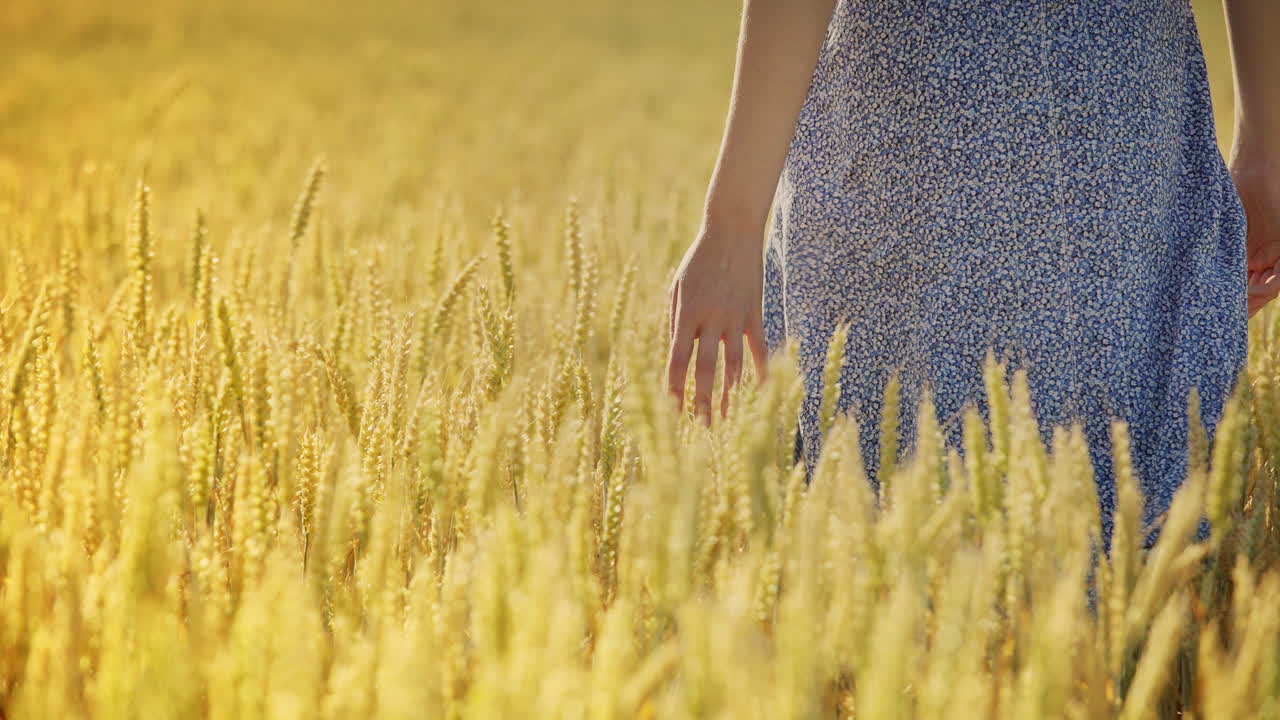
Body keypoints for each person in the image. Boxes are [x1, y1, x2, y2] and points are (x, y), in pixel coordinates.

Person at [665, 0, 1278, 547]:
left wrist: (734, 222)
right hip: (1089, 141)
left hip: (933, 151)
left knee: (899, 535)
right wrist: (1265, 142)